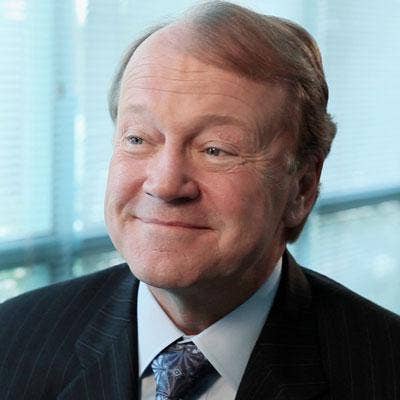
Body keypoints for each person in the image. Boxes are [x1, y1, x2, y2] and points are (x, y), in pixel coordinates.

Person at [1, 2, 399, 399]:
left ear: (302, 188)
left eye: (215, 149)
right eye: (138, 139)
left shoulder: (384, 370)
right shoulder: (12, 341)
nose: (165, 185)